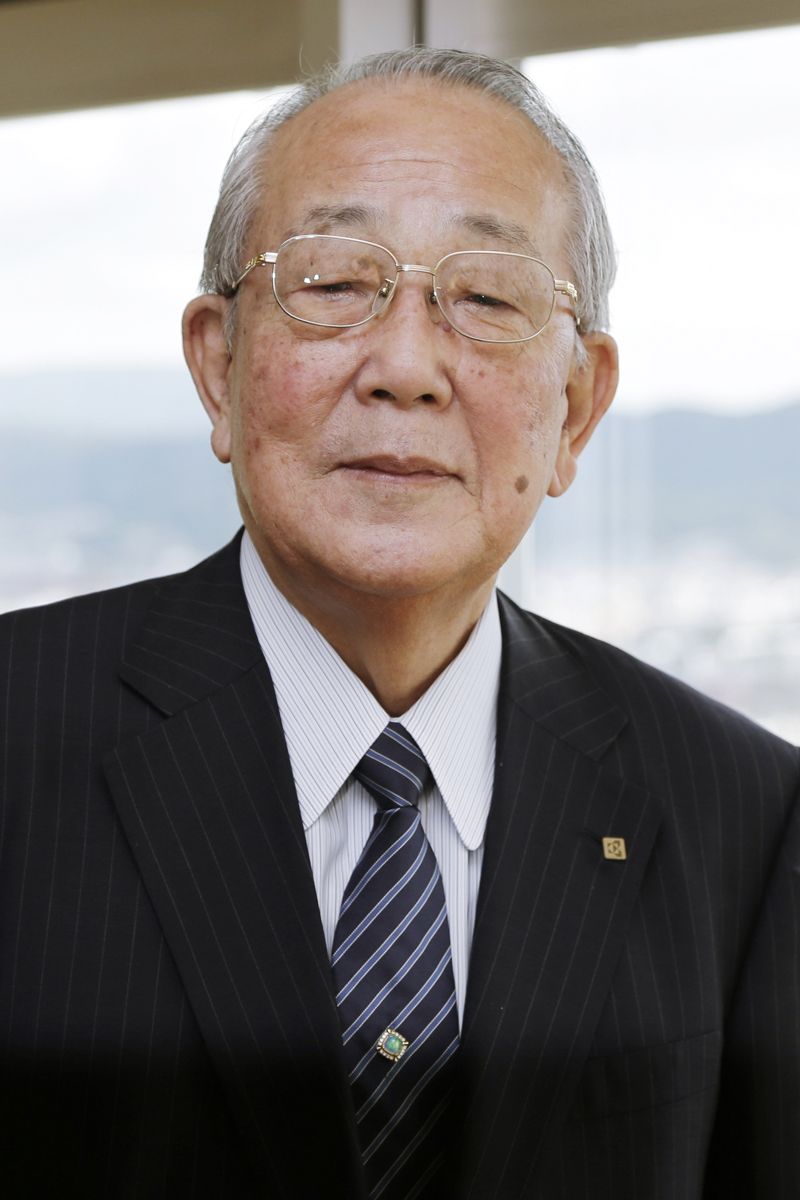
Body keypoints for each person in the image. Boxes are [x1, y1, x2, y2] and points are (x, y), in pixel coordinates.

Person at [1, 46, 798, 1200]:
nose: (407, 366)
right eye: (334, 282)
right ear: (218, 366)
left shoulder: (743, 812)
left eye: (485, 298)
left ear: (575, 409)